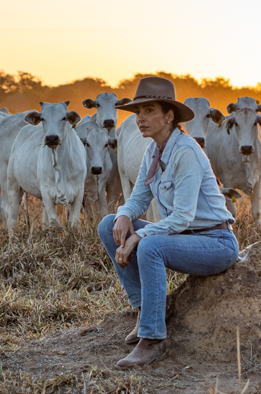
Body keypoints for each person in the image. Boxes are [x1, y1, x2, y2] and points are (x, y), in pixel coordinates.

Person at [98, 76, 239, 369]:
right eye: (138, 112)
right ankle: (143, 312)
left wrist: (139, 236)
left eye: (149, 111)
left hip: (215, 243)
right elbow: (137, 199)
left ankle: (152, 339)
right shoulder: (154, 150)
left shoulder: (186, 151)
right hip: (183, 238)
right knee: (107, 224)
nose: (140, 119)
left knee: (150, 246)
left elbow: (183, 216)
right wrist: (124, 215)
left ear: (169, 116)